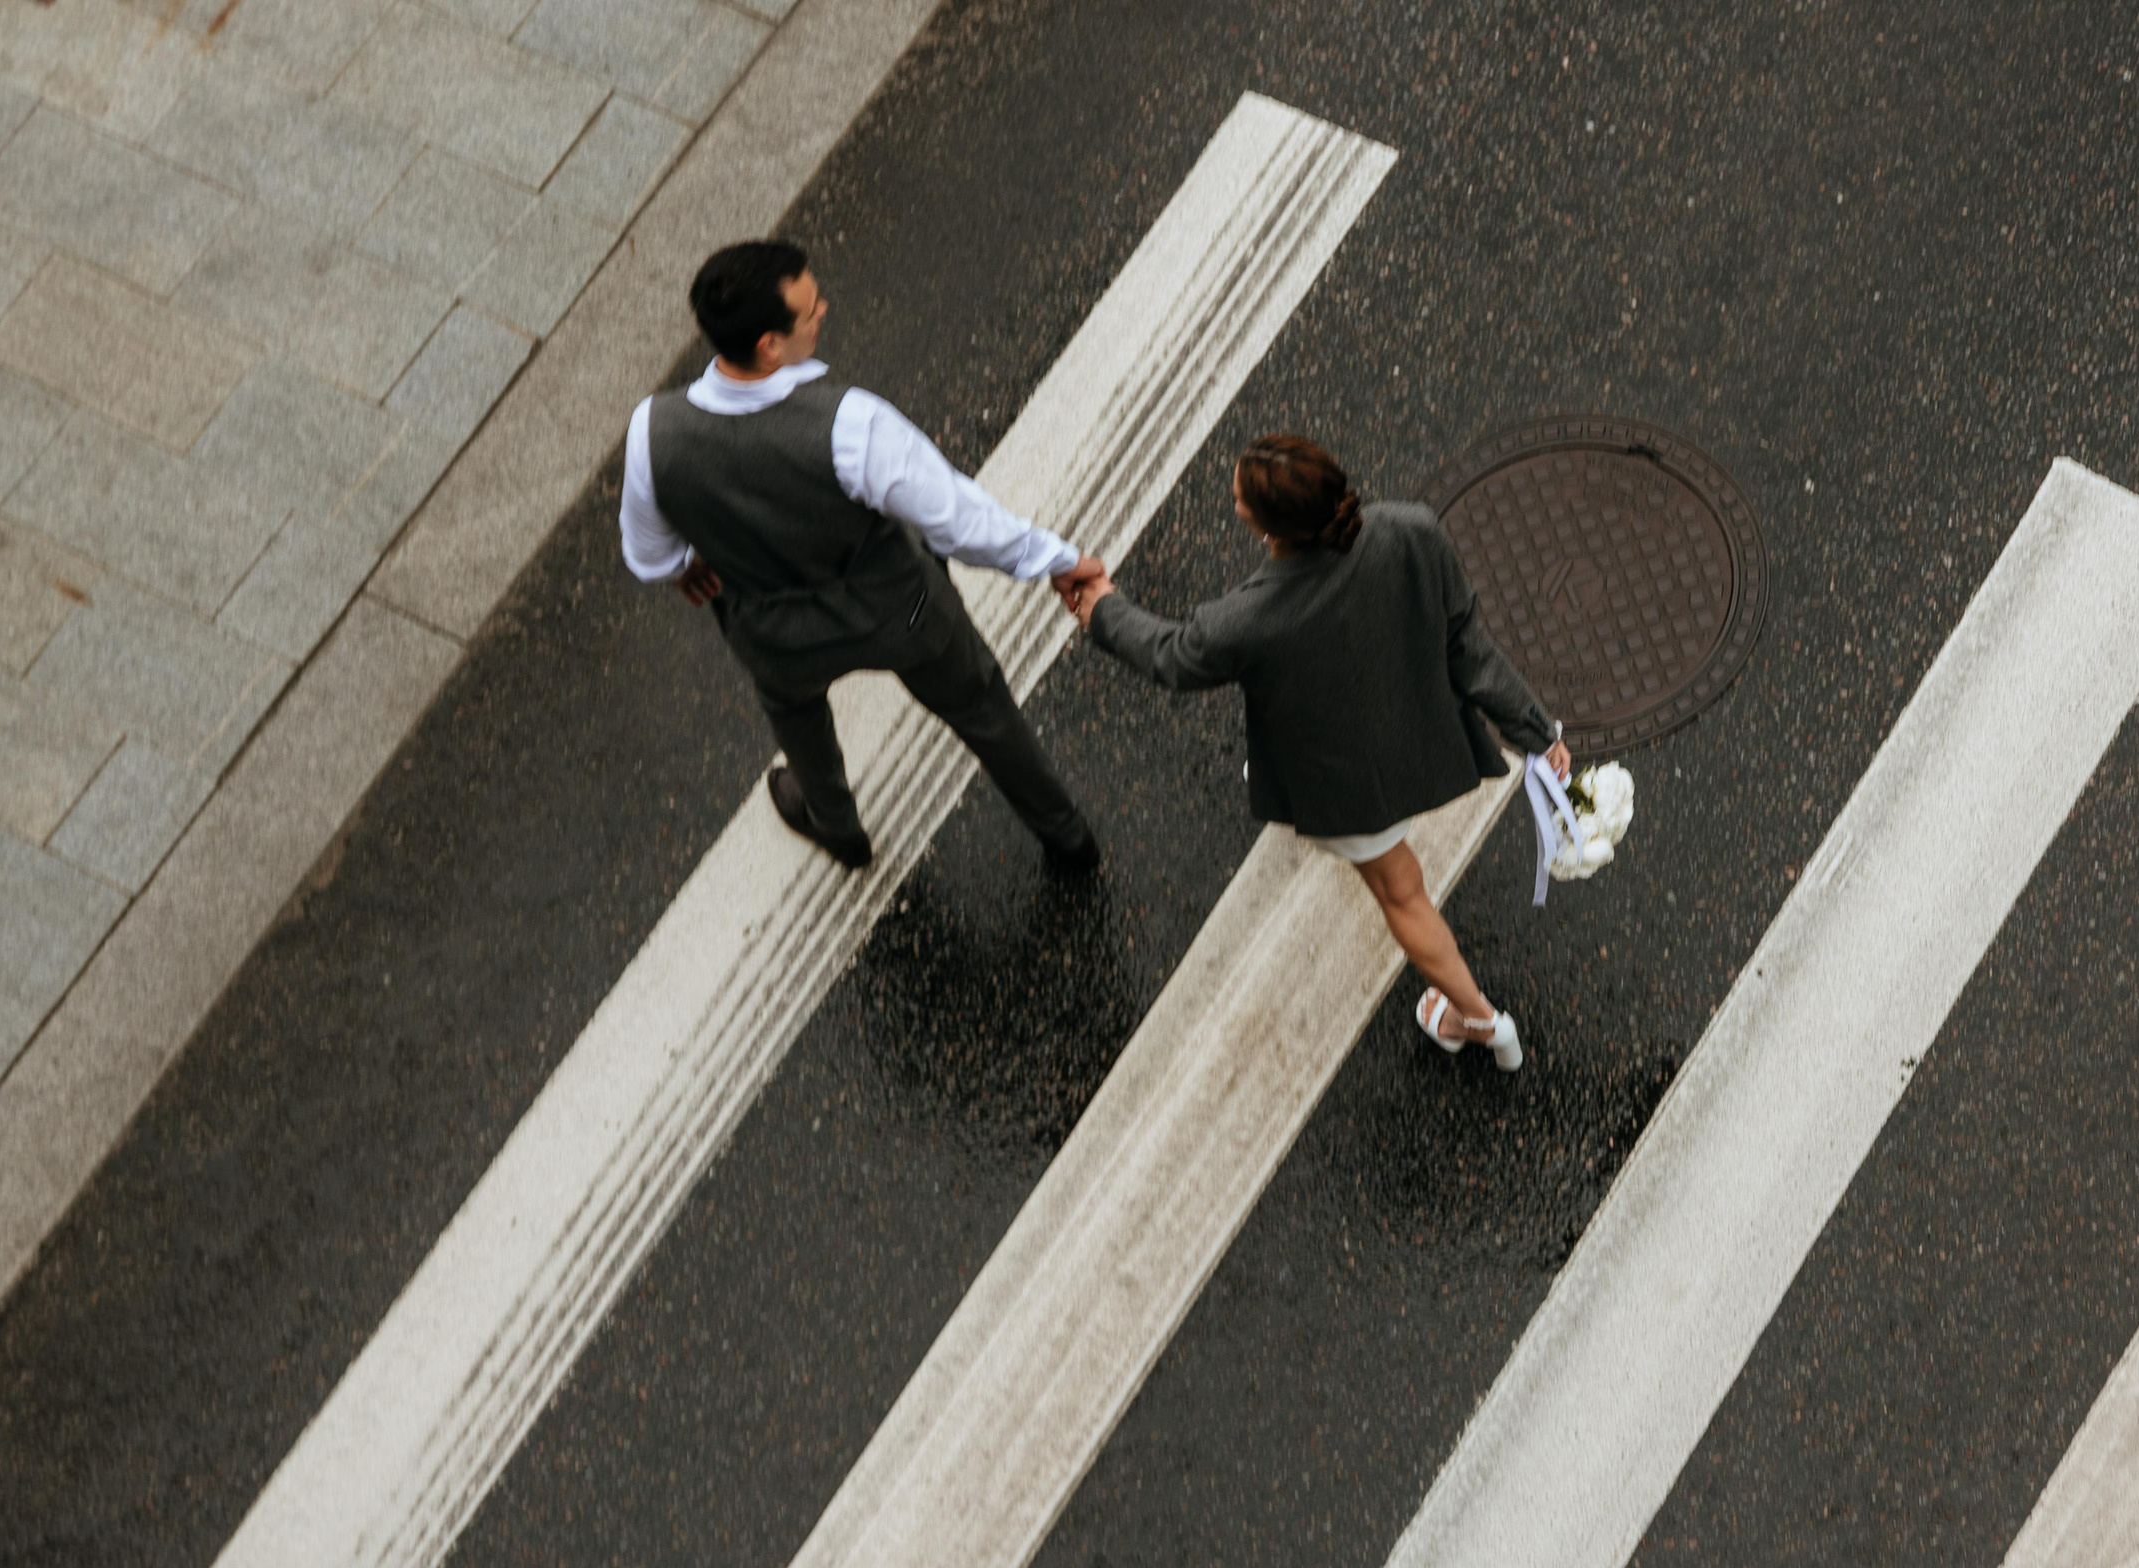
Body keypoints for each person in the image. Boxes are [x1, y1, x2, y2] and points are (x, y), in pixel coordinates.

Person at [1053, 435, 1569, 1070]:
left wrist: (1099, 604)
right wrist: (1537, 732)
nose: (1235, 500)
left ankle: (1481, 1020)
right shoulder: (1411, 529)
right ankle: (1476, 1020)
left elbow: (1170, 656)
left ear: (1264, 523)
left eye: (1241, 497)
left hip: (1349, 788)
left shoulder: (1243, 619)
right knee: (1401, 888)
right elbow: (1469, 642)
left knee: (1401, 894)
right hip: (1414, 738)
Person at [619, 239, 1102, 877]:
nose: (824, 309)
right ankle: (1065, 836)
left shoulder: (655, 431)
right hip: (900, 612)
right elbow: (959, 520)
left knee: (796, 716)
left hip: (773, 631)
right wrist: (1058, 559)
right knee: (982, 709)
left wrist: (692, 560)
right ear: (769, 344)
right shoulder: (850, 425)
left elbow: (650, 558)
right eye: (810, 307)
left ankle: (838, 828)